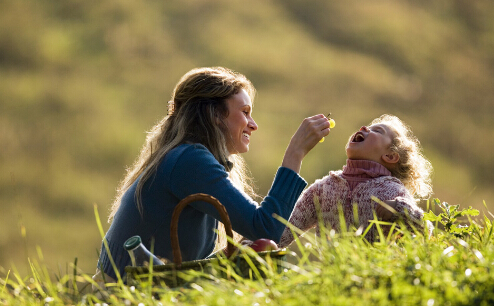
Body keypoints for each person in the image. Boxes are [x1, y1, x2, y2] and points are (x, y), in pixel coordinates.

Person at [94, 66, 331, 284]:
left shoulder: (187, 157)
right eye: (245, 112)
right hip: (127, 293)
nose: (253, 124)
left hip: (137, 289)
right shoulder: (190, 160)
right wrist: (295, 153)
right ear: (215, 115)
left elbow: (189, 263)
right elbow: (266, 228)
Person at [278, 114, 433, 248]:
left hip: (378, 278)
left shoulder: (392, 191)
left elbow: (426, 230)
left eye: (377, 130)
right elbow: (282, 232)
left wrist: (400, 209)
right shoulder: (323, 189)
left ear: (390, 156)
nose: (364, 127)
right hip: (333, 279)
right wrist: (255, 244)